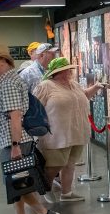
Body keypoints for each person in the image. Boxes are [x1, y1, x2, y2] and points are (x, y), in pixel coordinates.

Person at [0, 43, 60, 214]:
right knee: (15, 181)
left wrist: (15, 146)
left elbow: (15, 116)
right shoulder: (8, 80)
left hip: (14, 142)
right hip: (13, 141)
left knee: (18, 182)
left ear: (3, 61)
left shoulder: (9, 83)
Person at [34, 57, 104, 204]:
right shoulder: (46, 86)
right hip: (55, 134)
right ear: (56, 72)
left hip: (76, 131)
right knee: (55, 164)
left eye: (69, 69)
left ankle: (66, 193)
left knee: (70, 164)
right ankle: (45, 189)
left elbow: (84, 95)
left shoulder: (73, 85)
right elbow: (35, 108)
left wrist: (96, 87)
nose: (69, 72)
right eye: (65, 70)